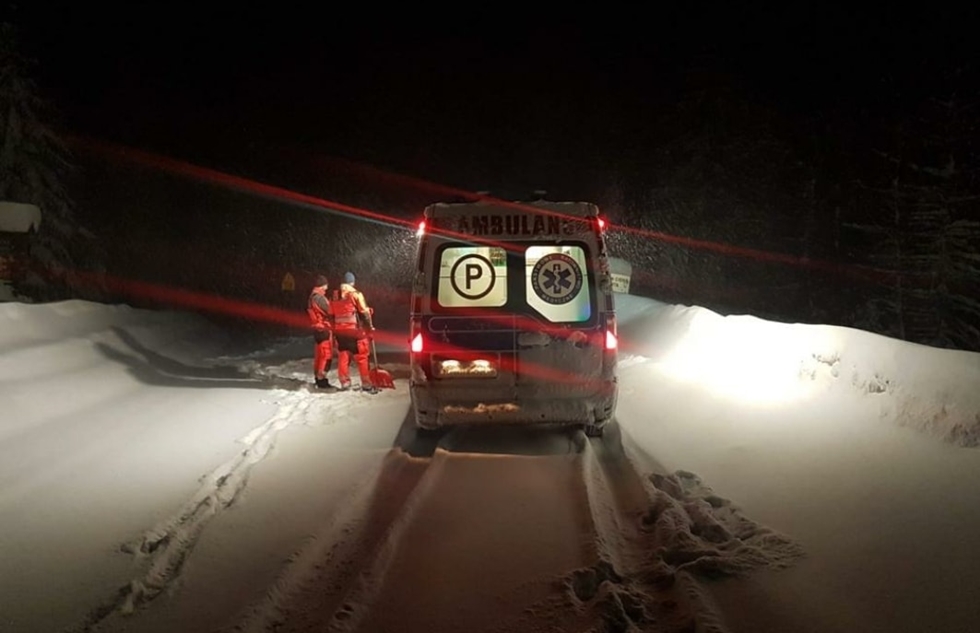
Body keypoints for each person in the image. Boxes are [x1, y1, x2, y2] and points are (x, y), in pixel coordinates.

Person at [329, 271, 377, 394]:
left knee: (343, 356)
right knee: (361, 356)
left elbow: (331, 315)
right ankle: (366, 383)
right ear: (352, 282)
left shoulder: (335, 295)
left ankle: (344, 382)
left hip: (340, 332)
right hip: (354, 331)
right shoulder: (356, 294)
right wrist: (369, 328)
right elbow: (364, 313)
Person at [307, 275, 336, 389]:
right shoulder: (319, 297)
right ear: (322, 285)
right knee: (326, 354)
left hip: (317, 328)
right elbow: (330, 311)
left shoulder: (312, 297)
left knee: (319, 355)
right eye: (326, 284)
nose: (327, 287)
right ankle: (321, 379)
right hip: (324, 328)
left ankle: (318, 377)